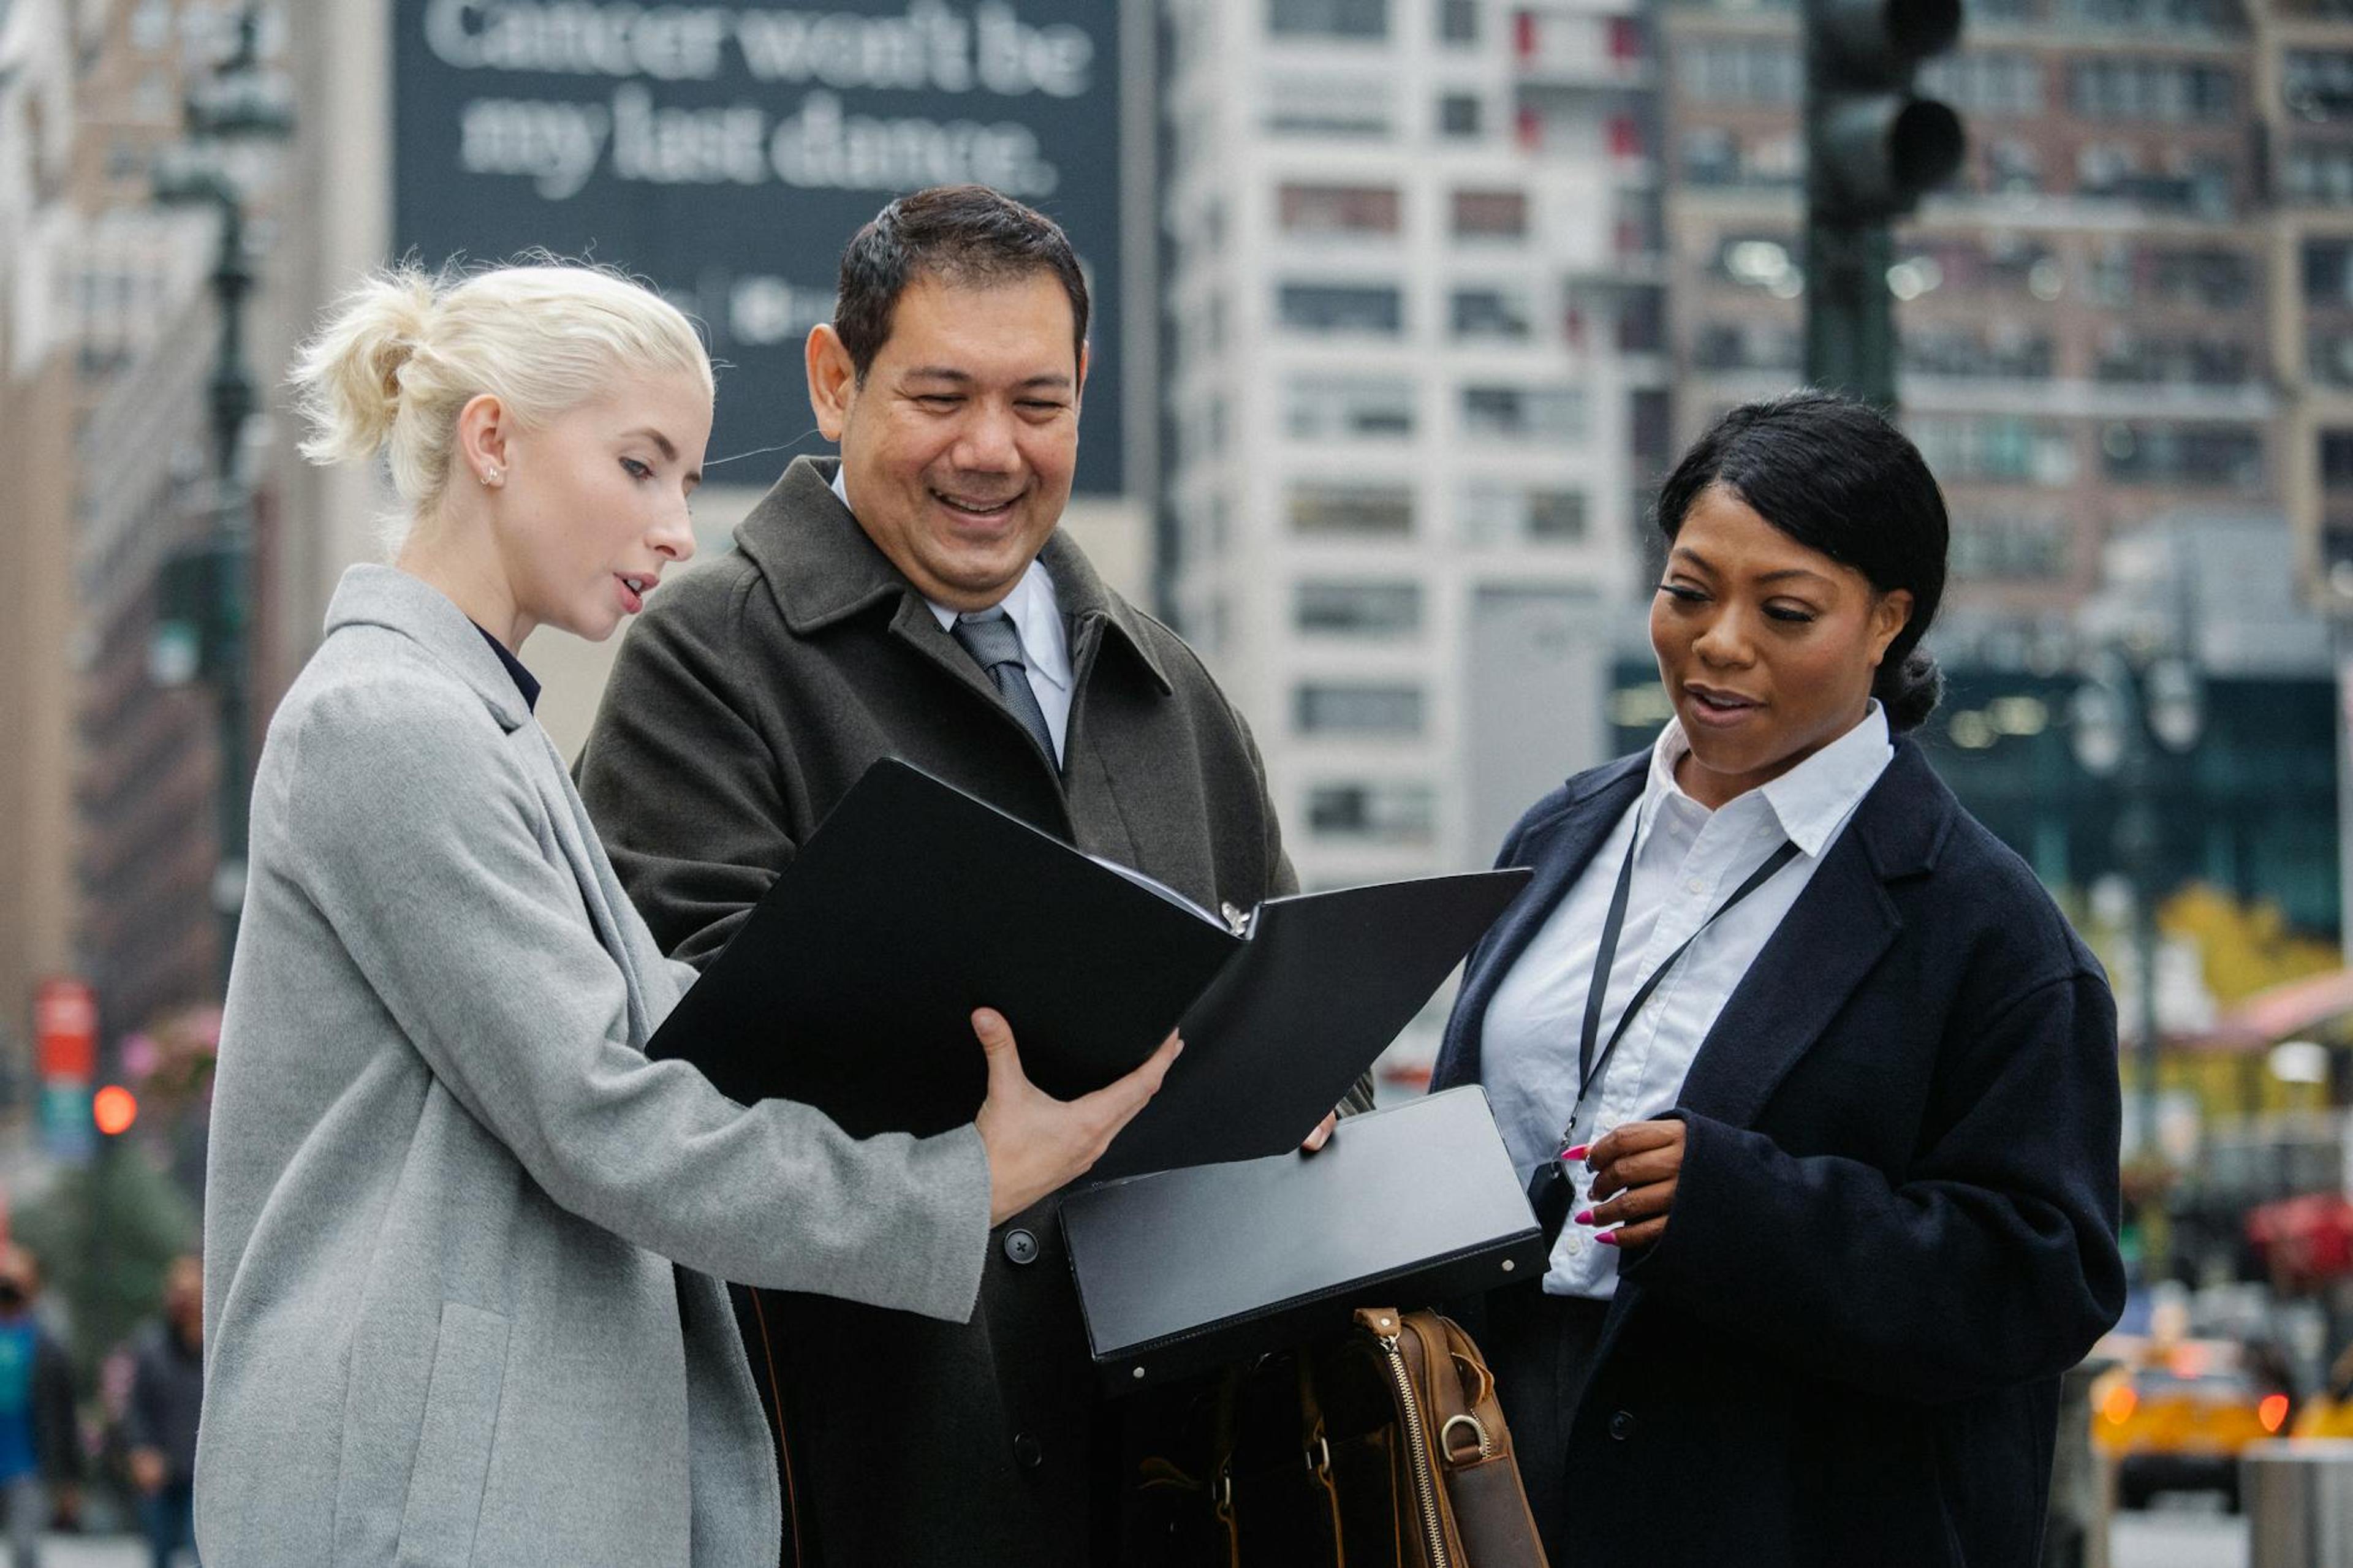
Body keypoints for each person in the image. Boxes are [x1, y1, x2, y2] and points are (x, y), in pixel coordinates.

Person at [196, 260, 1178, 1568]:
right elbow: (605, 1113)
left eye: (685, 474)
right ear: (491, 438)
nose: (676, 526)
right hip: (430, 1504)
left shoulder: (483, 731)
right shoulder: (392, 725)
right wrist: (958, 1186)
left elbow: (680, 1041)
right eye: (641, 466)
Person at [576, 184, 1358, 1567]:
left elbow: (1292, 1001)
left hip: (1179, 1467)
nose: (991, 452)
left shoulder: (1170, 685)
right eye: (940, 395)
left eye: (1038, 404)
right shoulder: (709, 658)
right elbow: (677, 1050)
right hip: (867, 1457)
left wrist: (1305, 1089)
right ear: (835, 381)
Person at [1429, 391, 2126, 1566]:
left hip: (1791, 1509)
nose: (1721, 642)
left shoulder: (1991, 929)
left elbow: (2044, 1281)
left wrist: (1747, 1210)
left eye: (1785, 609)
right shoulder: (1555, 836)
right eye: (1688, 590)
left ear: (1887, 623)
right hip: (1498, 1481)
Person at [0, 1248, 77, 1568]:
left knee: (25, 1551)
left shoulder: (47, 1344)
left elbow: (64, 1414)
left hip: (27, 1465)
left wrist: (70, 1479)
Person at [125, 1256, 203, 1568]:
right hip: (160, 1471)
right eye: (176, 1292)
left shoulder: (218, 1347)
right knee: (159, 1555)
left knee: (202, 1555)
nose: (181, 1300)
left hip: (203, 1475)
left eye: (190, 1293)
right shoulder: (150, 1346)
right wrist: (141, 1451)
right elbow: (136, 1408)